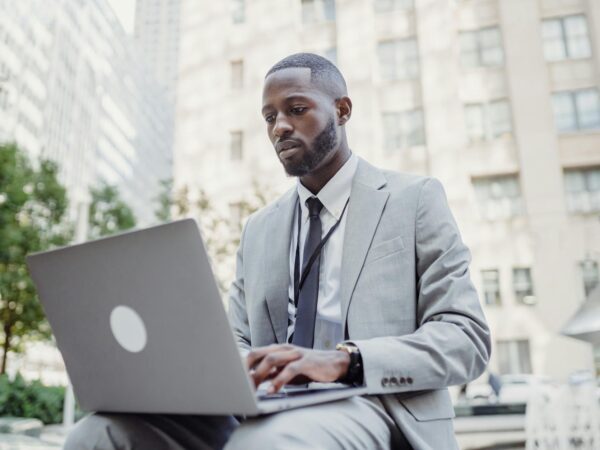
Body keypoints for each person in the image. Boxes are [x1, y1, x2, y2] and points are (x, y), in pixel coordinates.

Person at [65, 53, 491, 450]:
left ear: (342, 111)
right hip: (267, 405)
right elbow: (237, 339)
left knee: (265, 444)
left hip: (371, 403)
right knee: (97, 434)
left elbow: (465, 339)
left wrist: (344, 361)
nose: (279, 127)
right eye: (269, 117)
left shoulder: (414, 199)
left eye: (296, 109)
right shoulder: (259, 228)